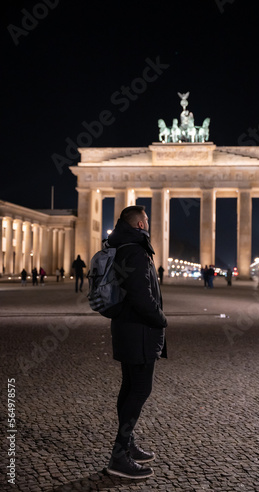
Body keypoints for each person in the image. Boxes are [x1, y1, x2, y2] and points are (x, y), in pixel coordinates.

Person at [106, 205, 167, 480]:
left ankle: (127, 445)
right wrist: (161, 319)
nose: (149, 225)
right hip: (139, 332)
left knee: (130, 388)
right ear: (141, 225)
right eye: (147, 221)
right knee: (140, 390)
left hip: (126, 330)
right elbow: (142, 297)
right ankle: (120, 455)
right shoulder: (136, 250)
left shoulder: (121, 246)